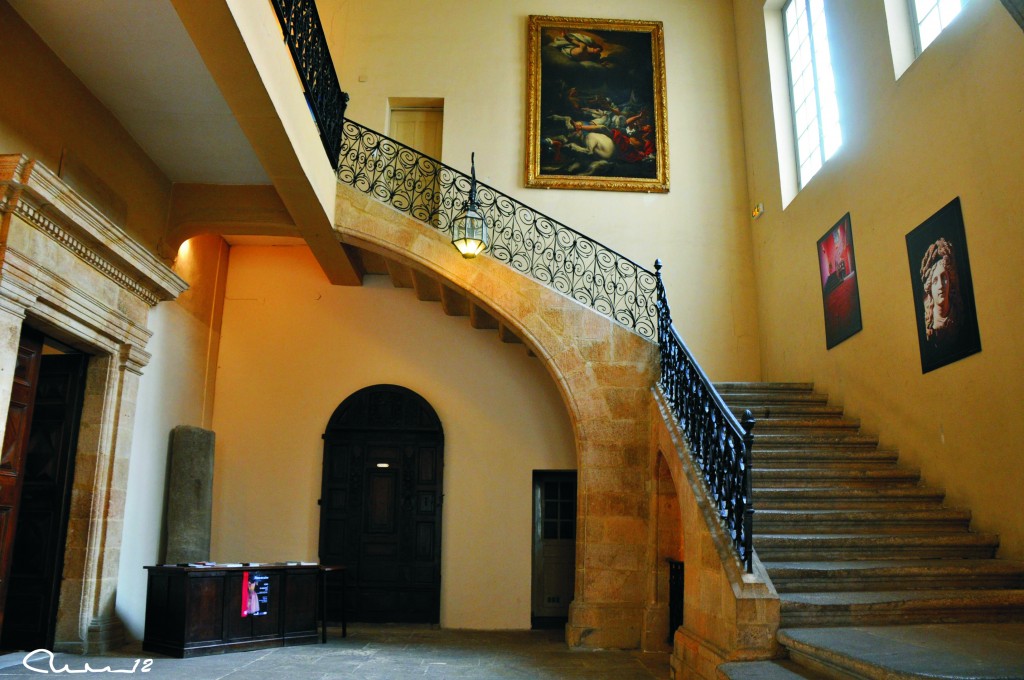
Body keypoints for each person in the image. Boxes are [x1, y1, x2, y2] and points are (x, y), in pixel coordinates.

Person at [919, 237, 961, 346]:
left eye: (944, 278)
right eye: (935, 281)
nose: (941, 285)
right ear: (930, 288)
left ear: (950, 281)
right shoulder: (929, 326)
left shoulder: (958, 316)